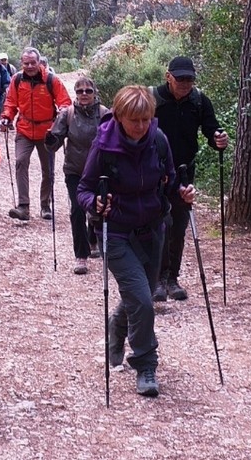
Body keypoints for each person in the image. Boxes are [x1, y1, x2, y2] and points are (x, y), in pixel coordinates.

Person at [77, 85, 195, 397]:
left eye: (146, 119)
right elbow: (84, 189)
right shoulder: (104, 146)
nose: (141, 127)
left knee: (136, 296)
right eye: (134, 121)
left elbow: (169, 182)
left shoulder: (158, 140)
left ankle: (116, 330)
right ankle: (145, 364)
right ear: (118, 117)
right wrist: (95, 204)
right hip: (116, 234)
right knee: (144, 300)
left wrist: (182, 193)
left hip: (154, 231)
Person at [149, 56, 228, 302]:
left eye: (190, 79)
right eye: (180, 78)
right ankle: (157, 279)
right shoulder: (152, 98)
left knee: (179, 225)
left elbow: (210, 128)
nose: (185, 83)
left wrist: (218, 138)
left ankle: (172, 279)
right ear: (168, 76)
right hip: (154, 171)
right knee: (158, 224)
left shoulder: (199, 101)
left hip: (184, 172)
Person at [45, 74, 110, 274]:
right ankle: (81, 256)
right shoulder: (67, 114)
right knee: (77, 210)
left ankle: (93, 241)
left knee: (98, 210)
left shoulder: (105, 113)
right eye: (80, 91)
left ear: (94, 93)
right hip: (74, 170)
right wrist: (50, 139)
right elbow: (54, 144)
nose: (83, 94)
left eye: (88, 91)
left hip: (99, 171)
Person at [0, 47, 71, 221]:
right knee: (20, 161)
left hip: (47, 131)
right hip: (24, 128)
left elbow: (65, 102)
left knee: (48, 170)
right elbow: (11, 103)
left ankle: (45, 205)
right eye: (26, 63)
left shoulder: (51, 80)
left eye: (33, 62)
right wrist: (6, 117)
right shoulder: (17, 80)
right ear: (21, 63)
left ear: (39, 62)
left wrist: (61, 118)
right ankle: (23, 206)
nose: (30, 66)